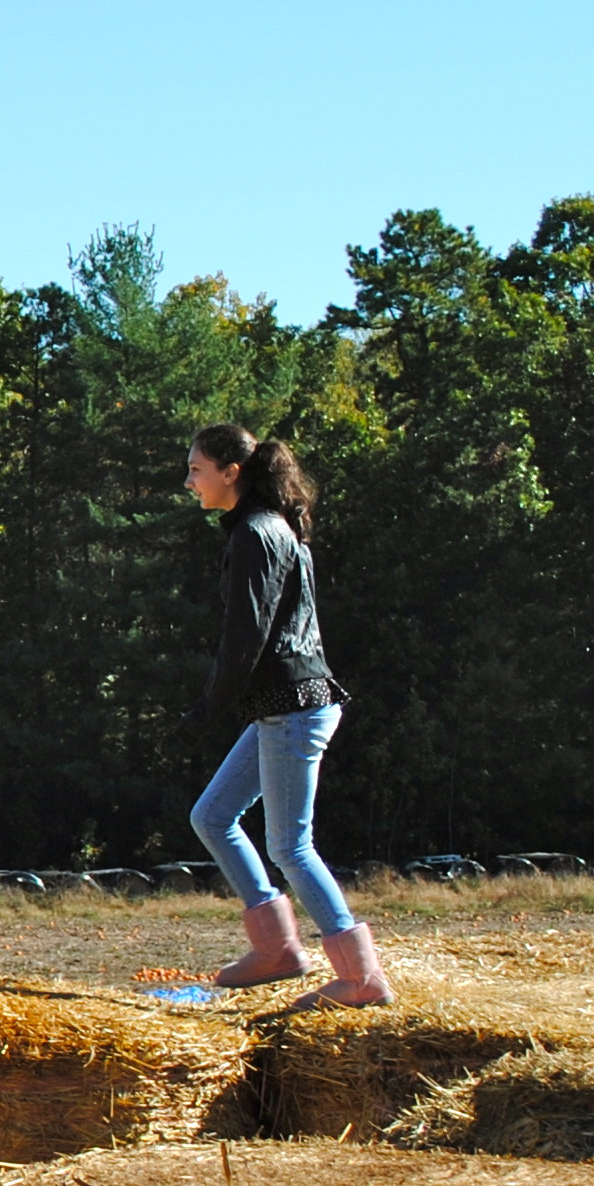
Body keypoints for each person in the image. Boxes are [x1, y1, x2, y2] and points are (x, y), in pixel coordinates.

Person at [186, 425, 390, 1004]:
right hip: (286, 706)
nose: (189, 482)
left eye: (197, 469)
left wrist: (210, 705)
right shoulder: (268, 527)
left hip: (293, 708)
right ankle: (277, 949)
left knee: (290, 846)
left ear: (231, 472)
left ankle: (361, 977)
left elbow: (245, 636)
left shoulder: (257, 532)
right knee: (213, 816)